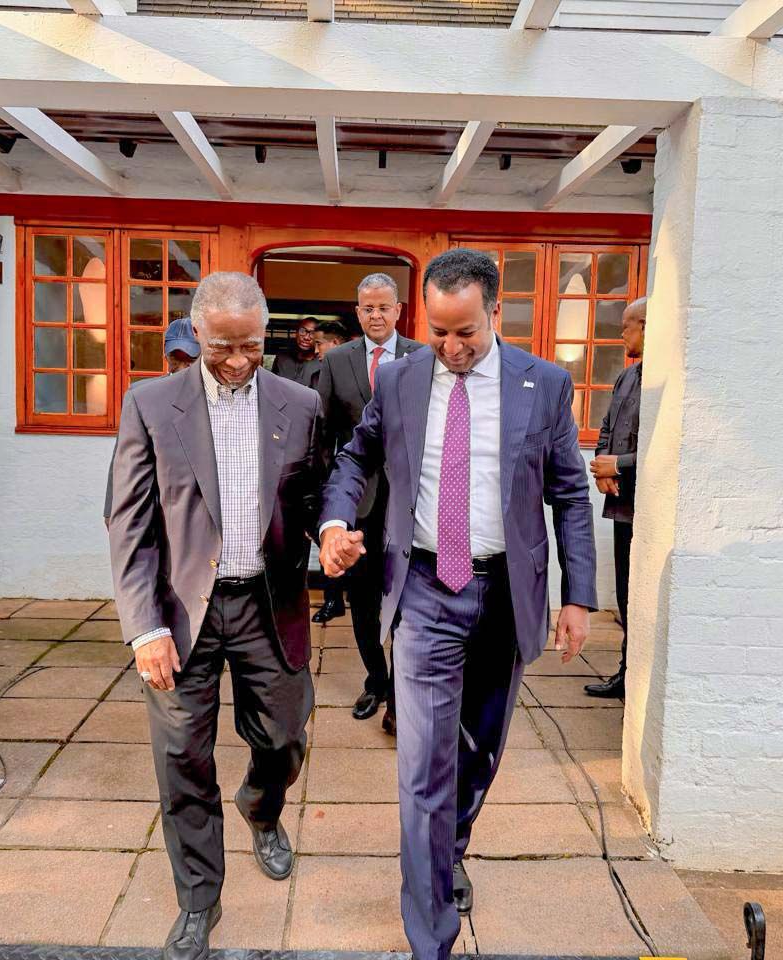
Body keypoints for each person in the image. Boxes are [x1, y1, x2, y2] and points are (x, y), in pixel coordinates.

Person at [319, 249, 597, 960]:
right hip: (424, 590)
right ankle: (431, 936)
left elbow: (570, 494)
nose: (450, 347)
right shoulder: (401, 379)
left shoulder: (544, 383)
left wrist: (578, 596)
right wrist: (334, 522)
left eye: (465, 331)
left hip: (506, 593)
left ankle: (450, 848)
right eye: (438, 331)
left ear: (494, 312)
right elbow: (356, 455)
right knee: (422, 768)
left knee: (480, 751)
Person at [108, 272, 323, 960]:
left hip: (268, 604)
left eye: (250, 345)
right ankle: (199, 898)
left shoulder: (301, 404)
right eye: (222, 346)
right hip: (179, 614)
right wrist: (145, 628)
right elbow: (129, 524)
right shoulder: (149, 404)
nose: (236, 360)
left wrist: (335, 532)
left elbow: (315, 498)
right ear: (196, 332)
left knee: (284, 738)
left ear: (266, 333)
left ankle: (260, 805)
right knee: (182, 761)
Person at [315, 274, 422, 732]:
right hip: (358, 502)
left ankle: (401, 689)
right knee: (361, 599)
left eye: (383, 307)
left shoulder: (422, 356)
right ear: (357, 313)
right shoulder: (337, 360)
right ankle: (376, 678)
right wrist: (328, 502)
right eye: (367, 308)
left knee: (407, 599)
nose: (376, 316)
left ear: (398, 310)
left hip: (409, 503)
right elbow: (323, 434)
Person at [585, 296, 645, 700]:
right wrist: (604, 467)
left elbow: (665, 444)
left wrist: (619, 465)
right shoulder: (627, 377)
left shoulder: (668, 382)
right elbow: (607, 425)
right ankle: (626, 674)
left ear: (646, 326)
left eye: (626, 326)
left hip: (649, 509)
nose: (621, 334)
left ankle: (638, 678)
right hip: (622, 507)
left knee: (642, 599)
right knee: (625, 594)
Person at [102, 318, 200, 527]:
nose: (183, 366)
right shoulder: (143, 397)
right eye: (176, 358)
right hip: (156, 511)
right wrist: (112, 508)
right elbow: (123, 459)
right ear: (166, 356)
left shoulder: (216, 399)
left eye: (190, 358)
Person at [304, 319, 353, 624]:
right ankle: (333, 597)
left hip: (351, 469)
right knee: (325, 532)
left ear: (335, 344)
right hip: (322, 467)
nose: (316, 349)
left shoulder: (353, 373)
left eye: (320, 343)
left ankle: (342, 596)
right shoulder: (315, 374)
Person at [270, 315, 319, 383]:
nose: (306, 337)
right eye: (302, 331)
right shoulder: (281, 359)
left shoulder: (321, 365)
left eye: (313, 333)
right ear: (296, 333)